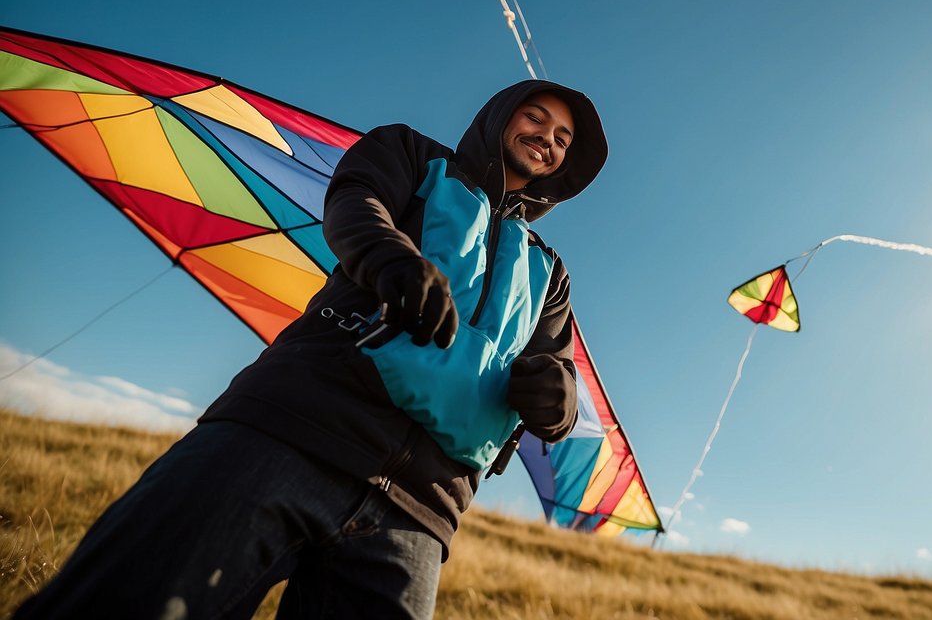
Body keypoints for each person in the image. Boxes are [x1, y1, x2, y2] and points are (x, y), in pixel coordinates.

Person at [16, 80, 608, 619]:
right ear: (501, 116)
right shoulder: (411, 154)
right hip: (287, 432)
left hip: (419, 515)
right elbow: (356, 200)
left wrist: (558, 402)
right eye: (534, 118)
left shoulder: (549, 272)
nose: (546, 139)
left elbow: (556, 364)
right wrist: (390, 257)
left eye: (562, 138)